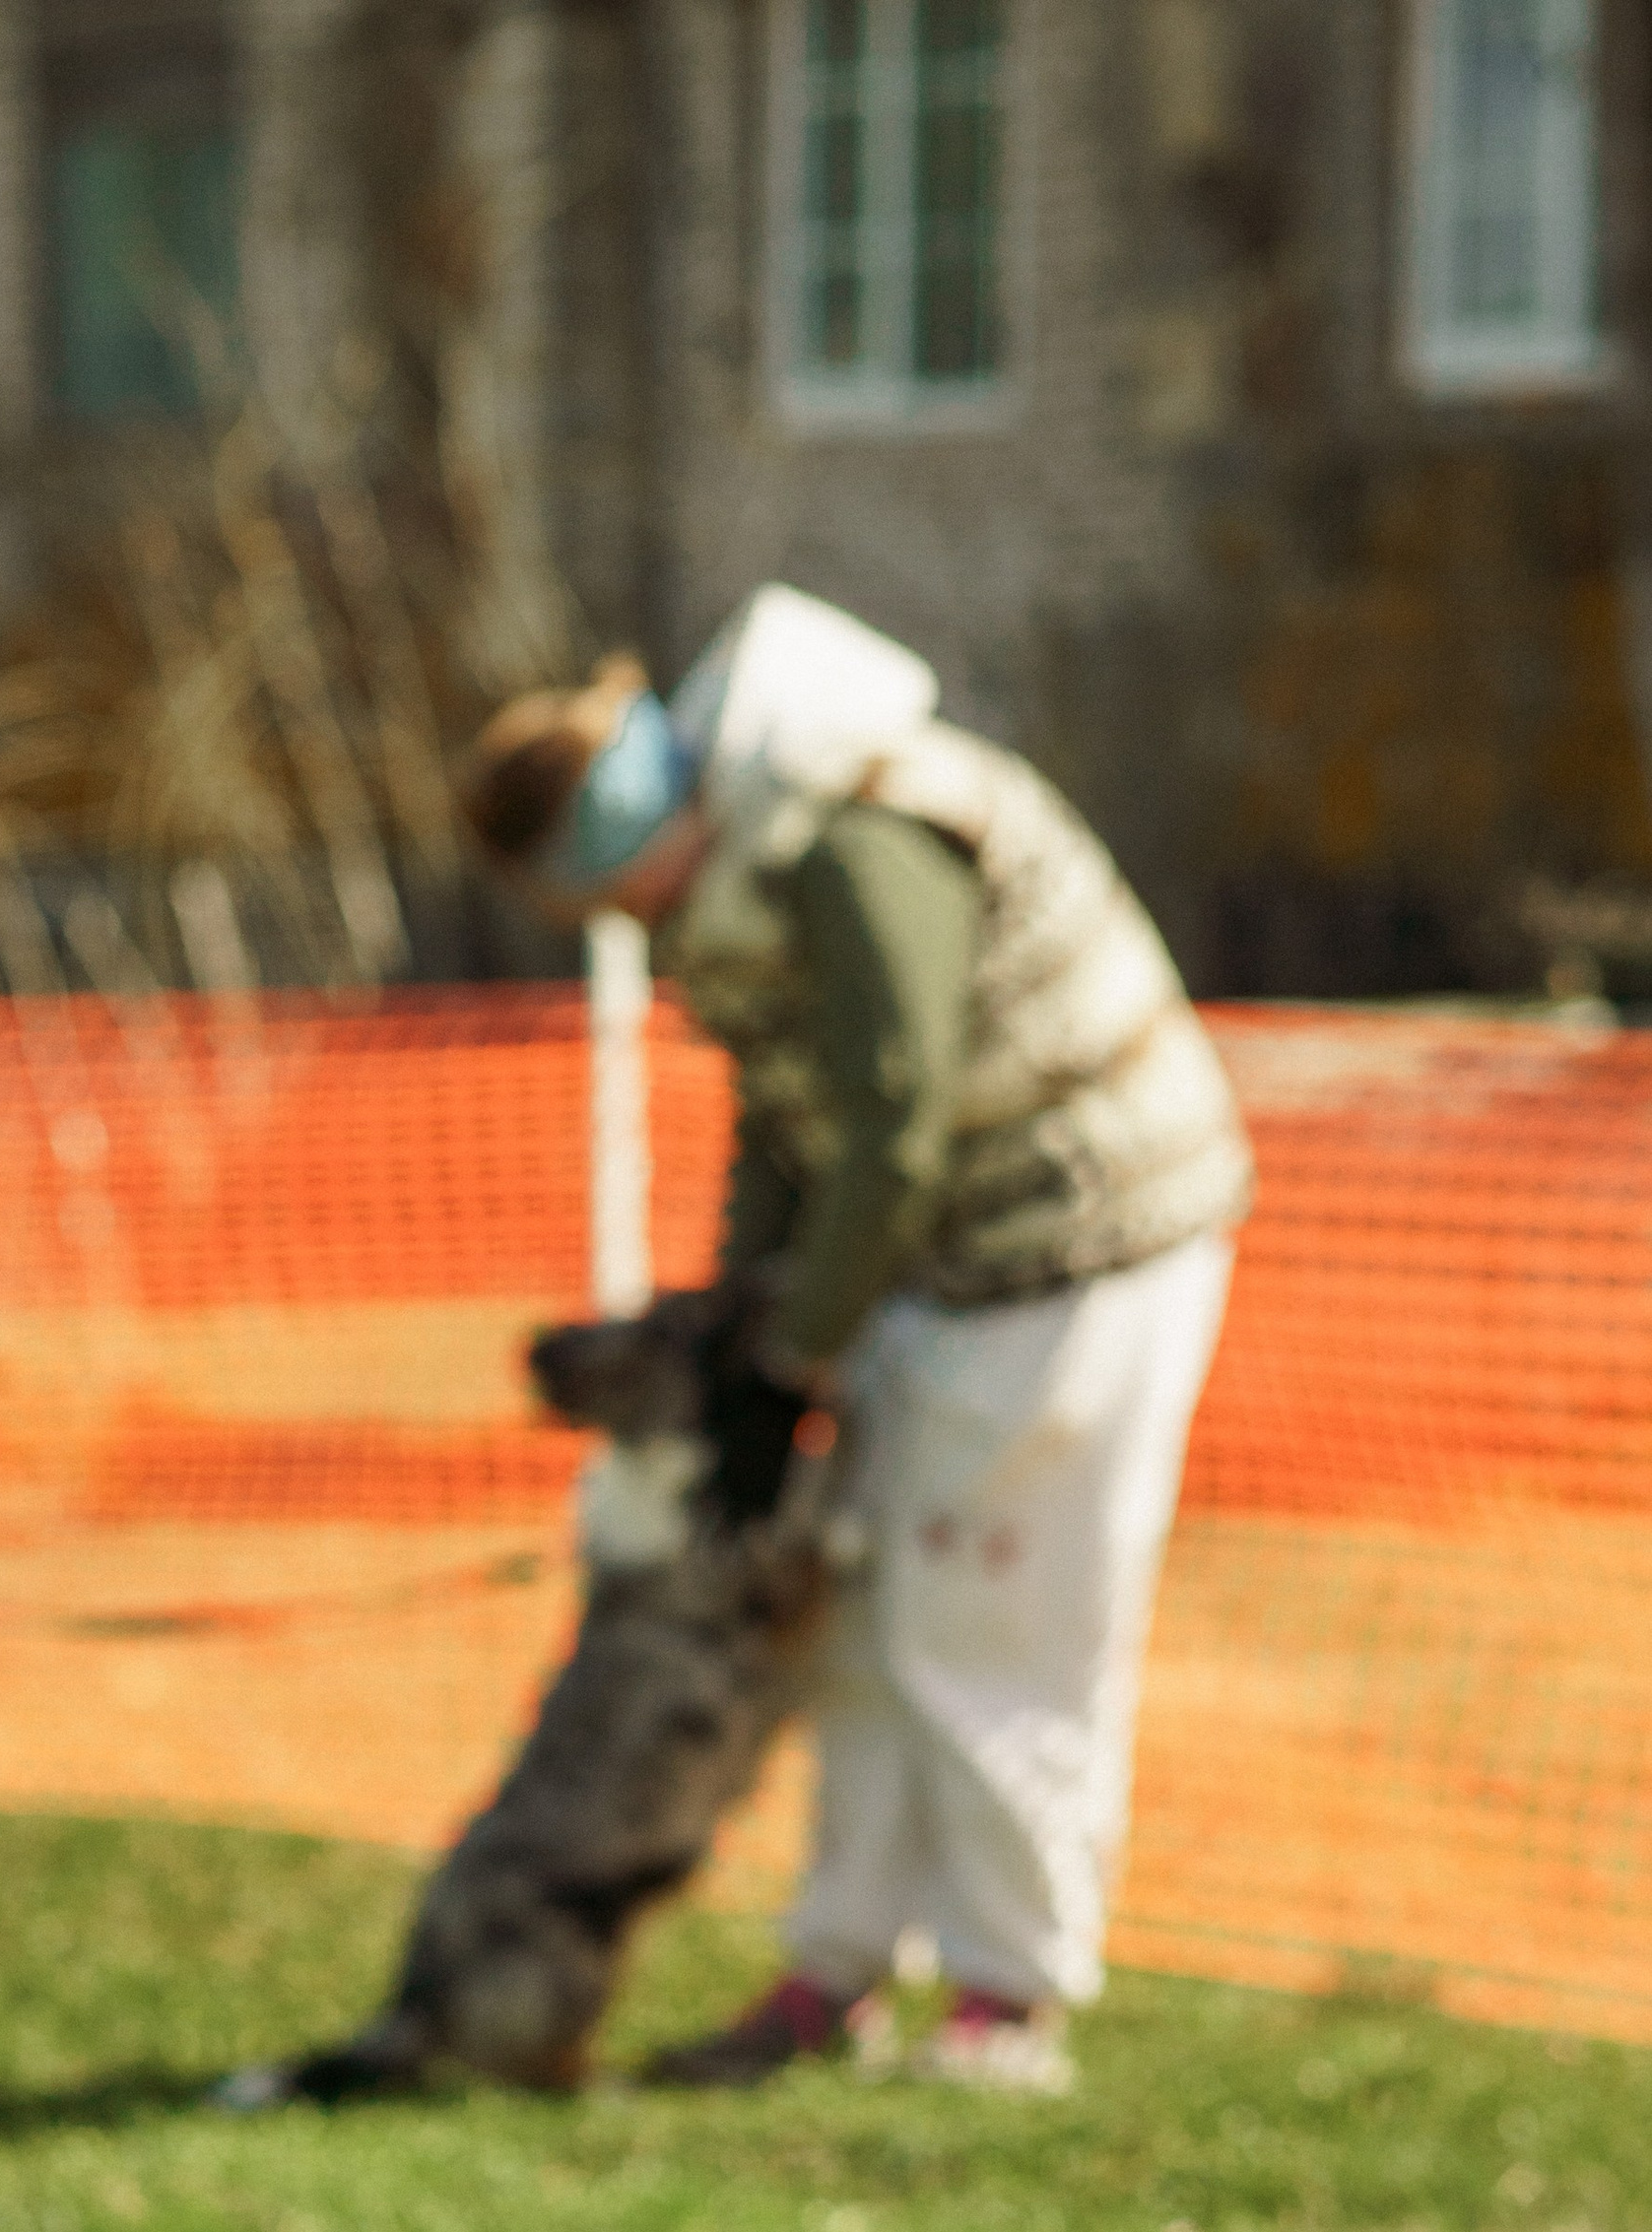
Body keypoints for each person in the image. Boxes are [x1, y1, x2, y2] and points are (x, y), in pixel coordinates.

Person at [459, 585, 1249, 2094]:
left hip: (1073, 1260)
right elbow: (789, 1122)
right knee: (871, 1633)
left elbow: (890, 1125)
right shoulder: (750, 868)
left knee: (994, 1625)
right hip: (942, 1275)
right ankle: (842, 1968)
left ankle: (1008, 1999)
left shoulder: (858, 828)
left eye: (611, 904)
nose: (630, 931)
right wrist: (737, 1343)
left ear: (632, 841)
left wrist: (792, 1350)